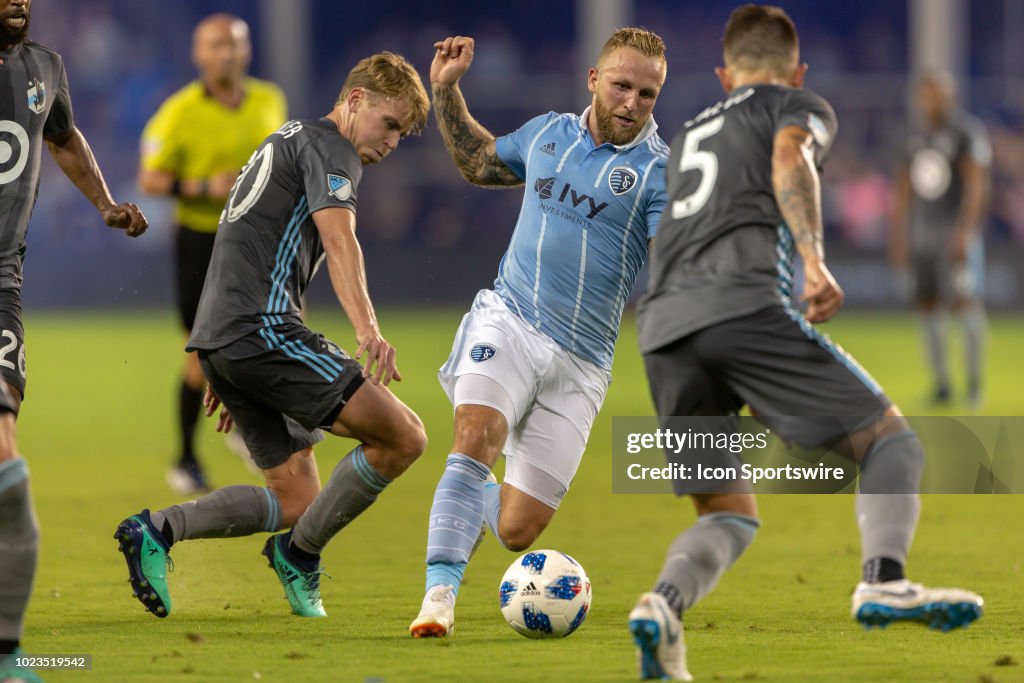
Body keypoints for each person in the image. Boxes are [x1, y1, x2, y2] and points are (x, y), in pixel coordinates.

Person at [632, 6, 984, 680]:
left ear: (722, 74)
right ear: (797, 71)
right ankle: (884, 577)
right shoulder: (795, 105)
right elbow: (791, 155)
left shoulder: (683, 136)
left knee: (728, 513)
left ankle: (663, 606)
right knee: (891, 441)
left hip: (665, 330)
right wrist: (814, 258)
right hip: (742, 306)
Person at [113, 52, 430, 619]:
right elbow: (341, 241)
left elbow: (243, 241)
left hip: (232, 334)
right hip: (259, 330)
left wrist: (217, 352)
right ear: (356, 101)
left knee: (297, 498)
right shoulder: (331, 148)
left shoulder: (286, 138)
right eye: (391, 124)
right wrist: (368, 328)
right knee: (404, 437)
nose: (392, 142)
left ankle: (156, 528)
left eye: (403, 134)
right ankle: (299, 556)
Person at [410, 29, 670, 638]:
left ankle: (468, 493)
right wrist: (446, 93)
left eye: (648, 93)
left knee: (515, 531)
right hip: (510, 319)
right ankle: (438, 599)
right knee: (475, 436)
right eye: (622, 86)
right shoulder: (548, 134)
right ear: (593, 80)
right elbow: (478, 161)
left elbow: (675, 257)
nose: (632, 102)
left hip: (582, 364)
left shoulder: (660, 174)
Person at [0, 0, 148, 679]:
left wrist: (105, 202)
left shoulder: (44, 69)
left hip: (1, 284)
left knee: (4, 454)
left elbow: (63, 138)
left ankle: (5, 651)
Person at [139, 13, 287, 496]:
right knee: (200, 354)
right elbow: (150, 179)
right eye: (215, 45)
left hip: (258, 240)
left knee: (273, 335)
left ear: (246, 51)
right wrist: (203, 185)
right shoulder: (178, 111)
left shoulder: (269, 100)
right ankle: (185, 458)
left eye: (233, 44)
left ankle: (254, 432)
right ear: (198, 54)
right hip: (202, 241)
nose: (225, 53)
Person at [889, 71, 990, 408]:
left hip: (953, 231)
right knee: (927, 304)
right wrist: (900, 235)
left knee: (964, 302)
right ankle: (942, 383)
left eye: (938, 94)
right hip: (922, 233)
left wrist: (966, 231)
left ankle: (975, 383)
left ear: (950, 97)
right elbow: (903, 190)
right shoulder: (913, 135)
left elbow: (976, 184)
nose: (931, 100)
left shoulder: (965, 132)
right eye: (926, 94)